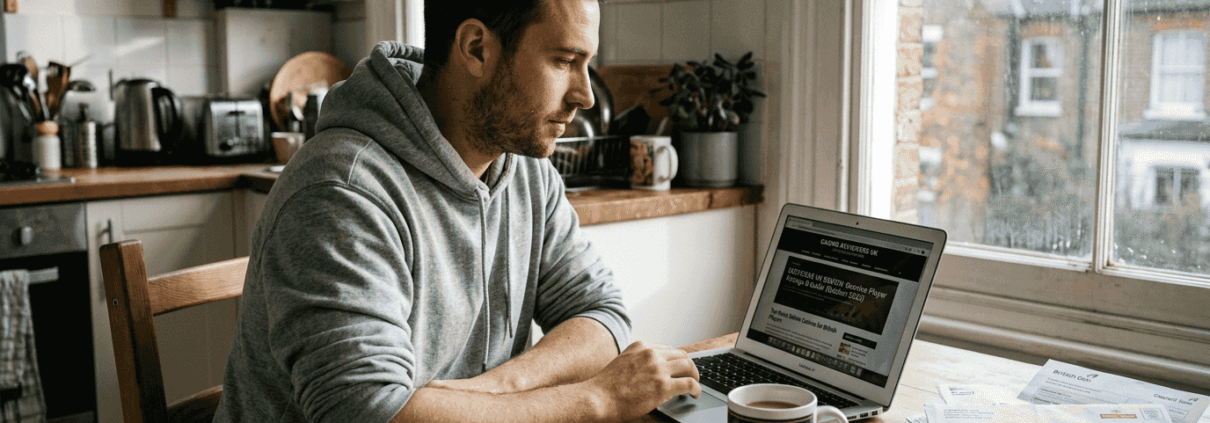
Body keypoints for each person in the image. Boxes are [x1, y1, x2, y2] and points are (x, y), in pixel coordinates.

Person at [212, 0, 702, 422]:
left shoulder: (525, 170)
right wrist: (597, 399)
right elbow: (366, 413)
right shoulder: (342, 190)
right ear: (476, 48)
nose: (585, 96)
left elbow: (599, 311)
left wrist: (496, 389)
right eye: (564, 61)